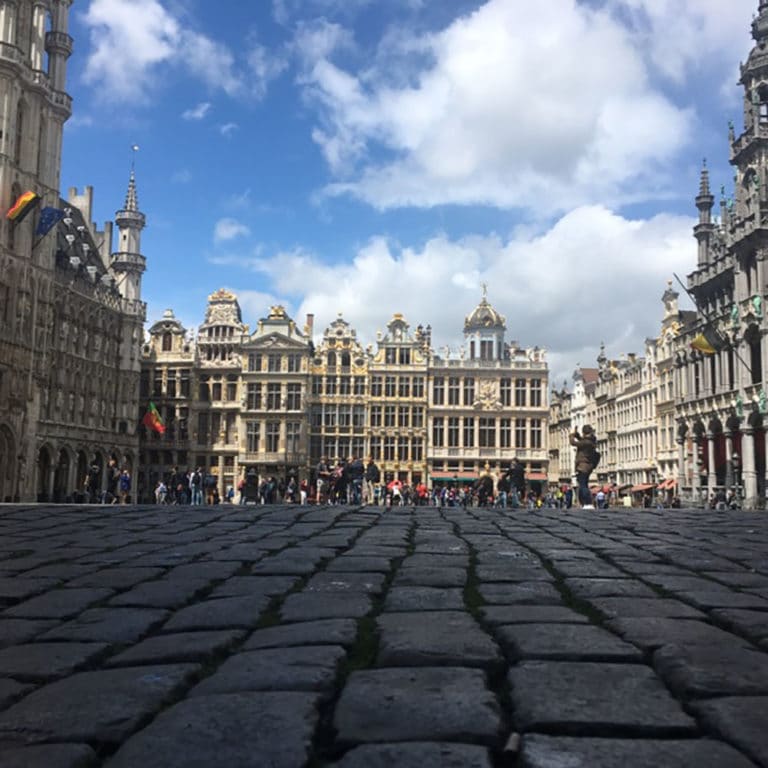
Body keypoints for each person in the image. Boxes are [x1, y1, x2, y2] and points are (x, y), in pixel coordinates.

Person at [570, 425, 598, 509]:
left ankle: (588, 502)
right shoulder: (590, 441)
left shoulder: (587, 442)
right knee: (583, 483)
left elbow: (573, 443)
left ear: (584, 432)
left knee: (583, 485)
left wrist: (572, 435)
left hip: (583, 466)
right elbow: (582, 440)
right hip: (588, 466)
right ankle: (585, 503)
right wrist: (577, 435)